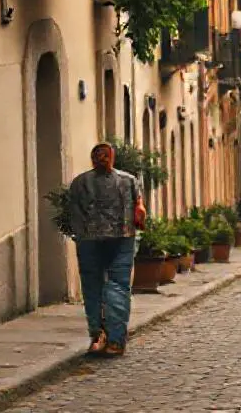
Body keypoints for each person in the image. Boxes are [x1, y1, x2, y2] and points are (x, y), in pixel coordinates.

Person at [68, 143, 145, 357]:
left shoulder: (125, 181)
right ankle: (104, 337)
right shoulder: (84, 183)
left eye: (104, 156)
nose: (102, 160)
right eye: (99, 157)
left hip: (114, 239)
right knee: (102, 287)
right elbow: (75, 213)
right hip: (102, 240)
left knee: (109, 288)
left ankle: (110, 338)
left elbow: (138, 207)